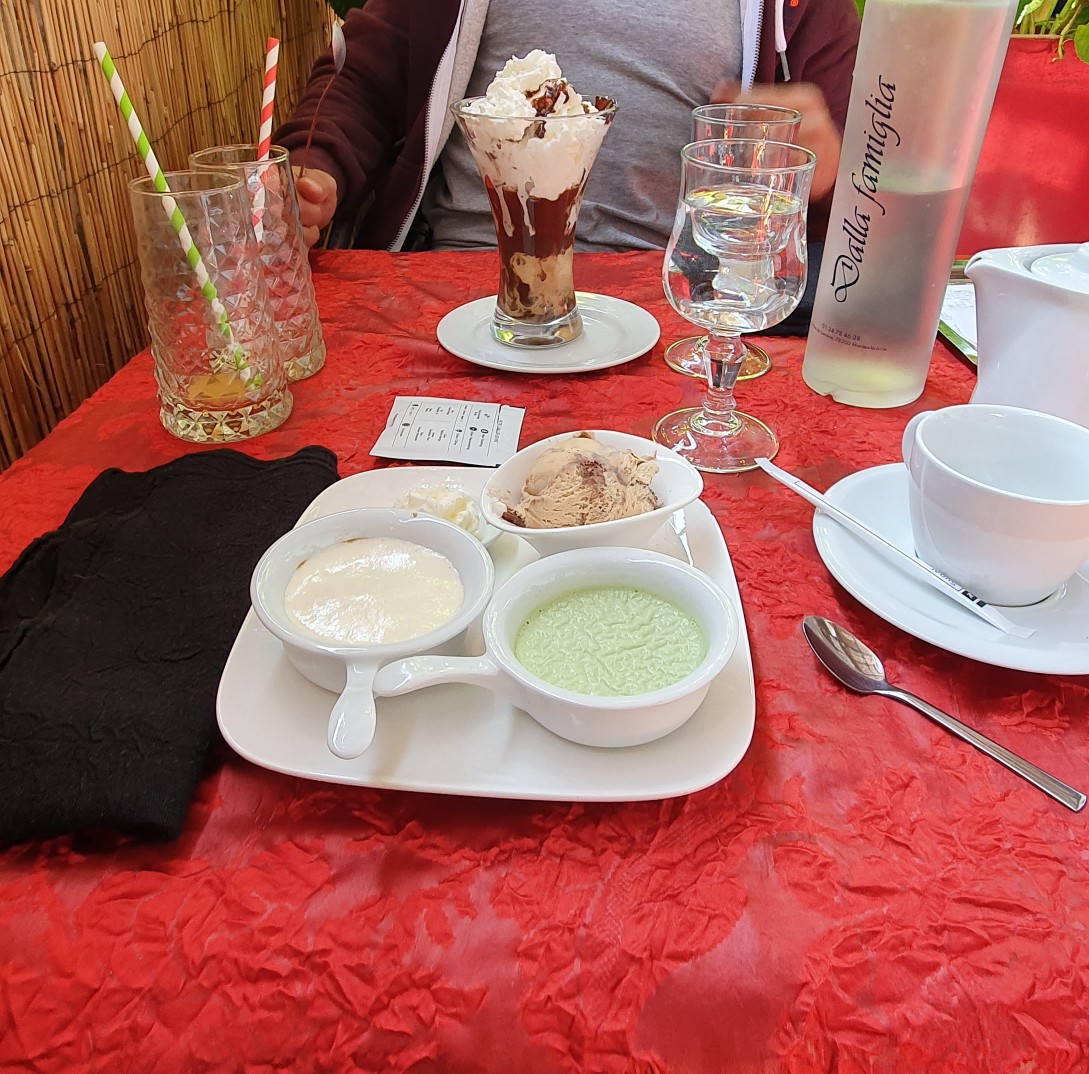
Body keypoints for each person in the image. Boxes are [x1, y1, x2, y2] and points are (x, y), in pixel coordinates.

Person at [273, 0, 860, 251]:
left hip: (681, 297)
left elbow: (871, 187)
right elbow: (362, 80)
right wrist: (313, 170)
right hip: (465, 286)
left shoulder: (796, 9)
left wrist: (829, 172)